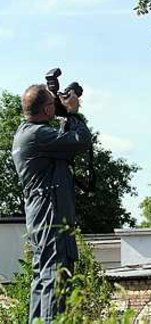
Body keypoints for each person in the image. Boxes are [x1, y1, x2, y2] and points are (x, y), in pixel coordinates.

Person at [11, 84, 92, 323]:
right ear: (47, 109)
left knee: (42, 279)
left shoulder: (26, 132)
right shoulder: (38, 135)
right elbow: (80, 140)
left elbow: (65, 147)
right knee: (55, 277)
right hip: (51, 217)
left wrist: (61, 115)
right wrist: (73, 112)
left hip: (41, 217)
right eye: (52, 103)